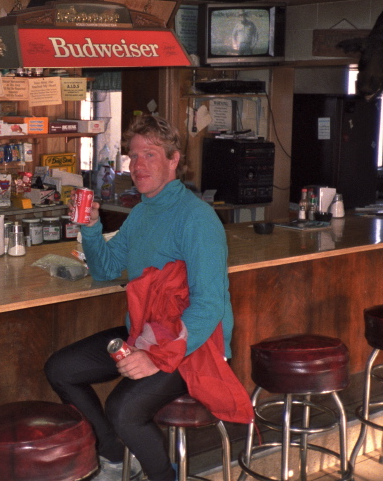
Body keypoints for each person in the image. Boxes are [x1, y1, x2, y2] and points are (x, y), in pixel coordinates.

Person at [45, 114, 249, 481]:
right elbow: (107, 268)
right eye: (132, 156)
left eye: (150, 155)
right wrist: (91, 228)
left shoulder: (197, 219)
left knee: (123, 410)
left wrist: (155, 358)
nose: (138, 166)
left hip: (194, 347)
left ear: (173, 160)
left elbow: (208, 306)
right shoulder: (142, 213)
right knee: (61, 369)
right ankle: (114, 456)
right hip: (146, 334)